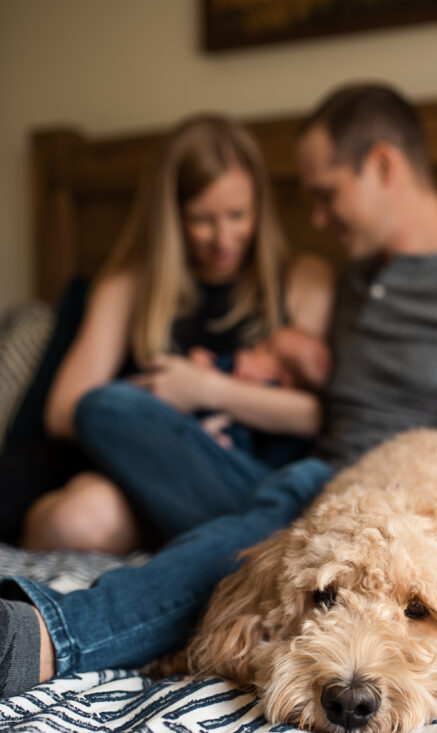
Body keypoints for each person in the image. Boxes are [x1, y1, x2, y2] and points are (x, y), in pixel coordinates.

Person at [0, 83, 437, 699]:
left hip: (410, 505)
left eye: (326, 195)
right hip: (314, 483)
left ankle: (45, 637)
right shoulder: (346, 281)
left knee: (249, 536)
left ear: (382, 164)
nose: (318, 219)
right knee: (202, 487)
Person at [15, 113, 333, 553]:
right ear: (171, 216)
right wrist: (165, 405)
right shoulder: (128, 285)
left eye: (238, 215)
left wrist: (206, 389)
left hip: (246, 477)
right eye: (202, 220)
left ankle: (239, 540)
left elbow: (317, 413)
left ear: (260, 204)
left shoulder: (303, 279)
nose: (224, 239)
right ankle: (225, 543)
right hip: (150, 476)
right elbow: (67, 409)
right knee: (75, 518)